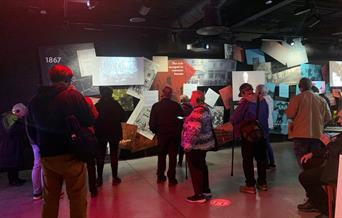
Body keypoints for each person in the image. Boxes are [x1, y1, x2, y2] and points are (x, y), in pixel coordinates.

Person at [26, 64, 94, 218]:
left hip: (48, 156)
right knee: (77, 198)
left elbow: (30, 129)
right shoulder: (73, 96)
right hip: (72, 154)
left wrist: (41, 145)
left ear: (51, 79)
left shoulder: (34, 100)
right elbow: (89, 120)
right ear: (68, 79)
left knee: (50, 199)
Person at [298, 108, 342, 218]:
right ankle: (314, 200)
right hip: (332, 161)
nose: (339, 121)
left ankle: (327, 209)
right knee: (307, 162)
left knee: (304, 177)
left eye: (341, 118)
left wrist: (328, 143)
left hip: (337, 168)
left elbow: (339, 152)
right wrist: (313, 153)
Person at [230, 83, 269, 194]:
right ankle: (263, 184)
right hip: (262, 134)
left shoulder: (245, 102)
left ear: (243, 92)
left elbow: (235, 118)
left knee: (248, 160)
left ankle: (250, 185)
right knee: (261, 159)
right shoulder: (263, 101)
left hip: (249, 135)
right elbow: (265, 116)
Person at [181, 90, 215, 203]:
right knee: (202, 166)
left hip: (197, 146)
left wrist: (187, 145)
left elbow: (194, 131)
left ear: (196, 100)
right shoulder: (206, 110)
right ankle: (206, 190)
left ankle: (199, 195)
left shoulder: (196, 112)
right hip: (205, 144)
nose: (190, 99)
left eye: (191, 97)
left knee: (195, 170)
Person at [149, 86, 184, 186]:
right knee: (173, 157)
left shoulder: (156, 106)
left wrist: (156, 132)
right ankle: (172, 178)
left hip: (162, 135)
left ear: (162, 93)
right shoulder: (176, 106)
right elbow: (181, 119)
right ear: (171, 94)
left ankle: (160, 176)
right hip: (174, 136)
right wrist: (178, 131)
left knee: (161, 156)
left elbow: (152, 123)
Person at [94, 86, 126, 186]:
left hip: (101, 134)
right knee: (113, 155)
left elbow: (93, 119)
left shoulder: (98, 105)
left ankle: (99, 178)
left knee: (100, 156)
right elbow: (123, 117)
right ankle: (115, 177)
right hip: (114, 133)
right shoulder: (115, 104)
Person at [0, 103, 29, 186]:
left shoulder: (7, 117)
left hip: (9, 143)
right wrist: (23, 128)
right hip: (10, 144)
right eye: (23, 114)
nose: (23, 117)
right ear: (18, 111)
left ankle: (15, 179)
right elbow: (11, 131)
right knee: (12, 163)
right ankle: (13, 180)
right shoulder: (11, 118)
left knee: (13, 162)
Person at [256, 84, 276, 169]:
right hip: (267, 125)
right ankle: (271, 163)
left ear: (260, 92)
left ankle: (266, 164)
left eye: (256, 92)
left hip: (264, 125)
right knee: (267, 144)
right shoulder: (269, 99)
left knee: (264, 145)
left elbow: (261, 115)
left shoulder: (263, 101)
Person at [84, 96, 99, 197]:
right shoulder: (87, 100)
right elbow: (96, 114)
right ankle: (93, 189)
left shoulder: (62, 99)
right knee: (90, 163)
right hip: (88, 133)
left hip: (71, 135)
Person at [178, 95, 193, 167]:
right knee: (189, 144)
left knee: (181, 146)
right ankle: (189, 160)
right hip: (190, 128)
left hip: (182, 128)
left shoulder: (179, 108)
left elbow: (179, 117)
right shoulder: (192, 108)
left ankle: (180, 161)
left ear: (181, 100)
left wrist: (179, 118)